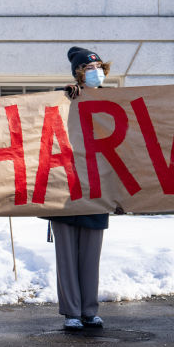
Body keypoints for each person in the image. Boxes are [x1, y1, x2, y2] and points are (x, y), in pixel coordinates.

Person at [47, 47, 111, 331]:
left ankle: (89, 309)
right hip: (65, 186)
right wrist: (66, 96)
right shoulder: (66, 98)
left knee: (90, 254)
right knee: (67, 255)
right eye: (89, 68)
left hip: (97, 187)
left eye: (99, 67)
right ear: (78, 73)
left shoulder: (112, 100)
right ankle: (71, 311)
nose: (96, 73)